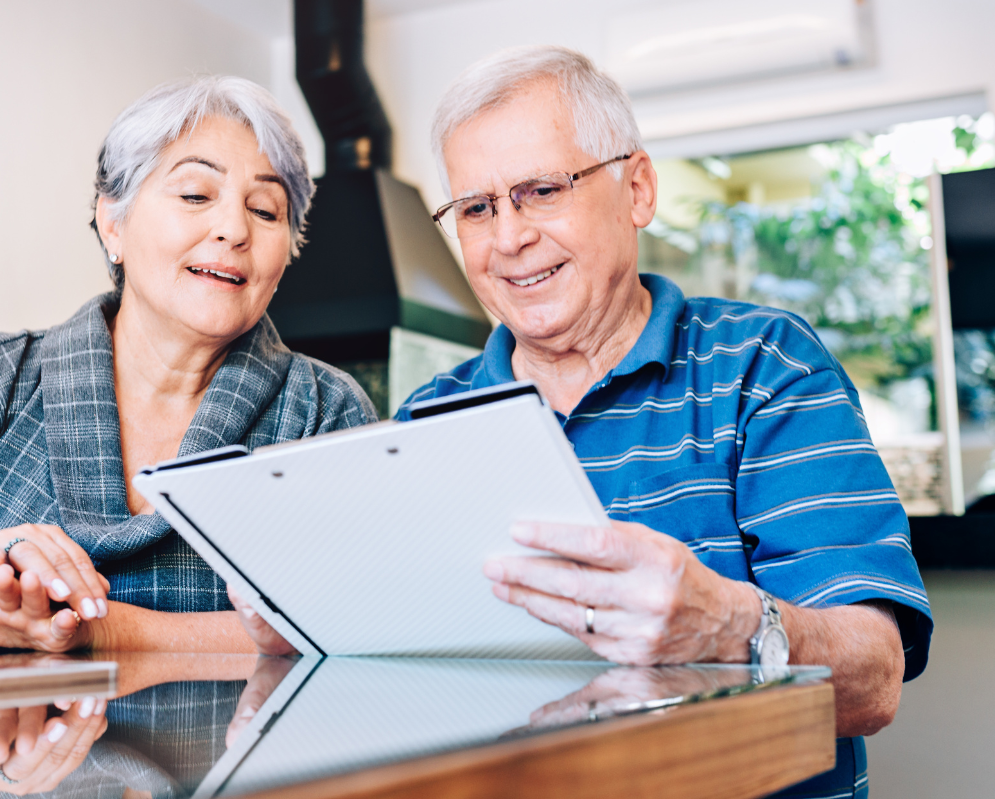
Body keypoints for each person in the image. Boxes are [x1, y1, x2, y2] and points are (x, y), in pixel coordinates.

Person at [393, 45, 930, 799]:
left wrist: (729, 628)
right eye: (477, 208)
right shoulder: (424, 420)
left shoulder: (766, 366)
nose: (508, 238)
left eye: (541, 190)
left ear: (636, 189)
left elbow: (874, 679)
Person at [0, 76, 375, 674]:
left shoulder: (325, 414)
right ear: (114, 224)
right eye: (194, 195)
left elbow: (362, 624)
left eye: (266, 211)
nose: (234, 229)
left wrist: (104, 631)